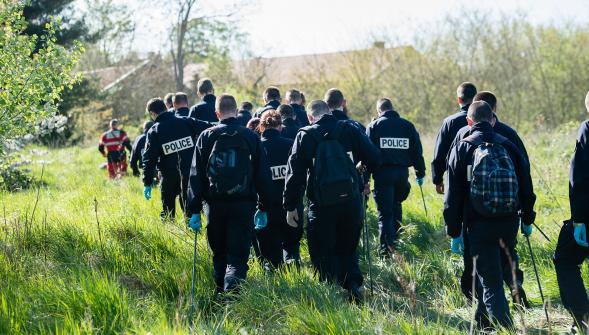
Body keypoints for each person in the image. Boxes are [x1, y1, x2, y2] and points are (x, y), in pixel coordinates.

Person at [444, 101, 536, 330]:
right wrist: (527, 218)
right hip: (509, 221)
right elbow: (527, 185)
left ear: (469, 121)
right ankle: (483, 324)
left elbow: (452, 197)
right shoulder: (509, 145)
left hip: (478, 225)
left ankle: (506, 328)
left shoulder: (461, 148)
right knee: (495, 272)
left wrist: (454, 232)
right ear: (493, 120)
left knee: (491, 283)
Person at [283, 100, 381, 303]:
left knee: (322, 250)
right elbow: (374, 156)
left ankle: (330, 293)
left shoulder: (304, 135)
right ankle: (353, 286)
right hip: (350, 202)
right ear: (331, 112)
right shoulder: (349, 129)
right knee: (348, 247)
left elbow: (294, 175)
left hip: (321, 206)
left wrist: (290, 205)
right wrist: (360, 171)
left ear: (310, 117)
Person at [186, 93, 273, 294]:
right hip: (243, 205)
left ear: (217, 113)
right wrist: (264, 206)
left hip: (214, 206)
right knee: (238, 257)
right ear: (236, 111)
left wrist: (194, 209)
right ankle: (232, 298)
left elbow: (195, 174)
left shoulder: (206, 137)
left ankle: (220, 292)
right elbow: (262, 174)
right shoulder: (251, 137)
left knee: (219, 254)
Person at [366, 98, 426, 256]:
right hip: (401, 174)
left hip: (382, 175)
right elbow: (417, 152)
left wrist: (364, 180)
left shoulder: (374, 126)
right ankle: (399, 244)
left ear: (379, 111)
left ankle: (386, 252)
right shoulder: (407, 125)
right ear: (392, 108)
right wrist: (420, 173)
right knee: (396, 207)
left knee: (385, 214)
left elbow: (366, 154)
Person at [554, 91, 589, 335]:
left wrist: (578, 220)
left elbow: (579, 176)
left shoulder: (587, 129)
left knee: (565, 259)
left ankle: (584, 321)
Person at [142, 98, 211, 220]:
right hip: (190, 173)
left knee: (168, 211)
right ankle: (191, 228)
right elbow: (209, 129)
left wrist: (147, 182)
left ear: (152, 113)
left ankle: (170, 230)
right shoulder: (186, 121)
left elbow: (149, 159)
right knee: (190, 209)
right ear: (166, 108)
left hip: (168, 175)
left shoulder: (154, 131)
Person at [255, 110, 303, 268]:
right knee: (292, 249)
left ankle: (277, 286)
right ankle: (296, 284)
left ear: (261, 127)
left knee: (271, 259)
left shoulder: (257, 148)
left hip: (265, 208)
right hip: (290, 206)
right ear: (281, 127)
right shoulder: (291, 145)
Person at [432, 82, 477, 195]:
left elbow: (440, 153)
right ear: (475, 99)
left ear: (459, 100)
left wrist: (437, 179)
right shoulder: (486, 118)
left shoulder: (450, 122)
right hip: (481, 172)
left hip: (456, 174)